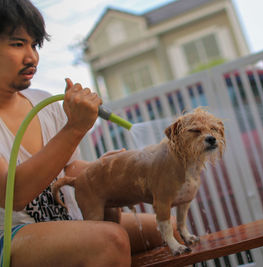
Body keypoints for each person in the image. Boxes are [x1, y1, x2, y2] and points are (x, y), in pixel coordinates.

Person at [0, 0, 172, 266]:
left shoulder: (42, 102)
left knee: (165, 227)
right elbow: (15, 194)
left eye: (34, 45)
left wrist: (110, 170)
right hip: (8, 237)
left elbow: (68, 170)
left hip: (65, 223)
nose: (31, 56)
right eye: (17, 43)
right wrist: (76, 127)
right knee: (109, 240)